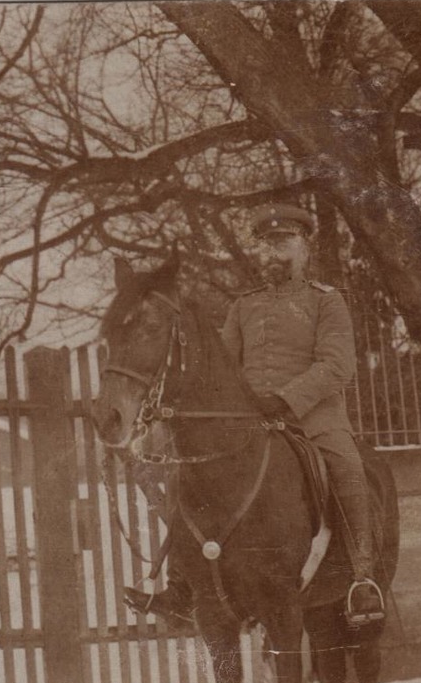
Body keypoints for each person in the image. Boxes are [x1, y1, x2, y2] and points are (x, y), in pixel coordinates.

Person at [123, 203, 386, 628]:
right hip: (252, 424)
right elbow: (222, 367)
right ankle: (181, 585)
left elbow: (337, 366)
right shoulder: (244, 307)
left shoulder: (327, 302)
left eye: (284, 242)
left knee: (348, 467)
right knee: (185, 476)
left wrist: (283, 400)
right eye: (266, 243)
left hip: (314, 421)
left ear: (305, 247)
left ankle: (361, 579)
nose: (274, 252)